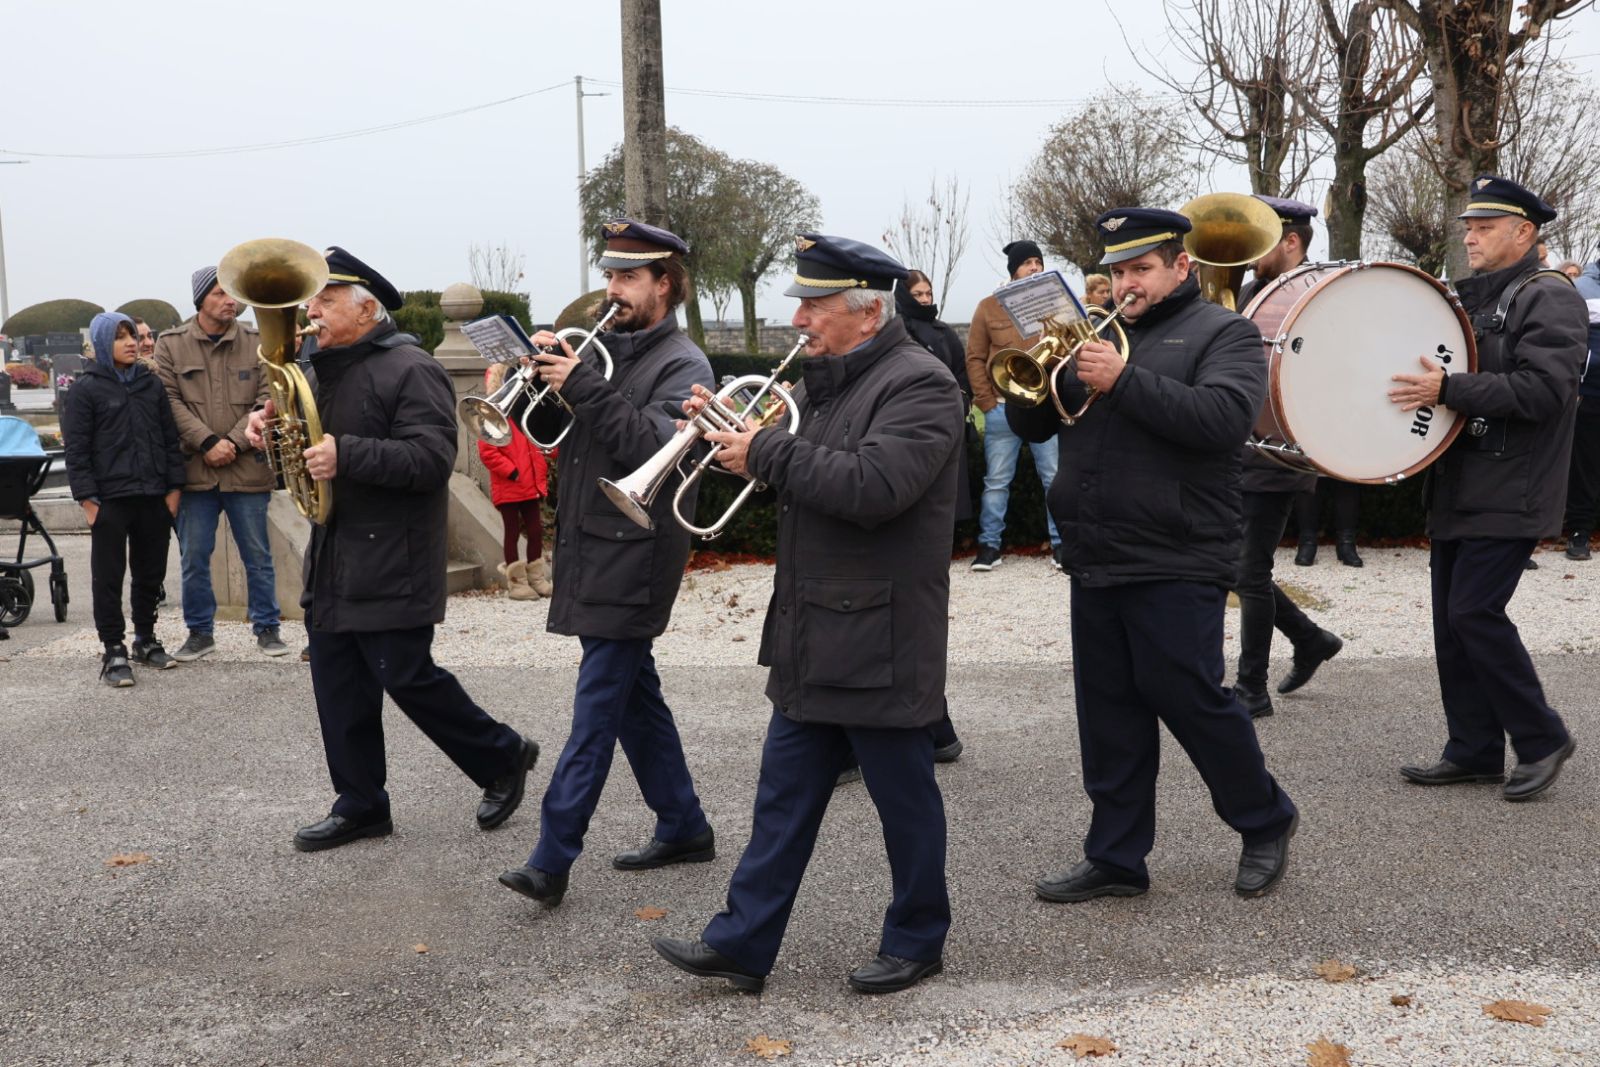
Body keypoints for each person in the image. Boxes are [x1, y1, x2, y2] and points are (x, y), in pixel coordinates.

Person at [652, 233, 963, 996]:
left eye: (812, 304)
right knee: (781, 801)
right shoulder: (834, 381)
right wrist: (731, 431)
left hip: (882, 635)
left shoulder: (921, 383)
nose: (797, 319)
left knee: (905, 801)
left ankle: (919, 937)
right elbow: (806, 465)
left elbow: (874, 486)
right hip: (815, 628)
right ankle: (742, 942)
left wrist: (765, 451)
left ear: (866, 310)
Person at [1009, 208, 1299, 903]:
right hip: (1097, 549)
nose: (1125, 283)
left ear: (1181, 267)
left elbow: (1223, 421)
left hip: (1179, 549)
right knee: (1108, 711)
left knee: (1190, 697)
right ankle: (1115, 856)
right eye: (1117, 271)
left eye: (1140, 269)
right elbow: (1034, 418)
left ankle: (1265, 819)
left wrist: (1123, 379)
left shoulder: (1224, 333)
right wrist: (1036, 370)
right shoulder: (1094, 339)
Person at [246, 247, 537, 851]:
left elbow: (432, 460)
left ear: (367, 307)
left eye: (326, 300)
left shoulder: (411, 367)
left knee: (407, 677)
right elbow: (293, 425)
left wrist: (346, 454)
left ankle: (503, 755)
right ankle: (361, 805)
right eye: (314, 300)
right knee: (337, 684)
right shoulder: (312, 364)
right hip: (335, 549)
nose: (312, 311)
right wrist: (260, 422)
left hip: (392, 555)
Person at [498, 220, 715, 907]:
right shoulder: (605, 352)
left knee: (595, 712)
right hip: (594, 545)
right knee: (633, 700)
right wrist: (539, 380)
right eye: (611, 276)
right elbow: (555, 434)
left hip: (638, 550)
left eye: (629, 278)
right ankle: (683, 823)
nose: (613, 291)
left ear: (665, 284)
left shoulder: (685, 365)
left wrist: (582, 383)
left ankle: (550, 856)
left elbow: (650, 447)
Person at [1390, 176, 1585, 801]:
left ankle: (1542, 737)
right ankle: (1473, 749)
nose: (1469, 236)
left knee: (1474, 612)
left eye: (1483, 227)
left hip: (1512, 484)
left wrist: (1449, 390)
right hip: (1465, 480)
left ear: (1523, 233)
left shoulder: (1548, 297)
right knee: (1453, 622)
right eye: (1468, 227)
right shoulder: (1476, 298)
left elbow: (1543, 392)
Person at [1230, 196, 1344, 717]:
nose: (1250, 252)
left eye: (1261, 239)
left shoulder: (1321, 294)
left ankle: (1251, 688)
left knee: (1248, 570)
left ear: (1292, 241)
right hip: (1243, 444)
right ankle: (1310, 638)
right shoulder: (1253, 290)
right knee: (1238, 568)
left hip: (1281, 449)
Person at [154, 266, 288, 661]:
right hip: (196, 472)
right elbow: (168, 401)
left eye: (232, 294)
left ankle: (267, 628)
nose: (230, 300)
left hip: (246, 468)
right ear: (200, 300)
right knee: (194, 558)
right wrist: (208, 442)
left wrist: (230, 442)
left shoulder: (257, 340)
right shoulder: (170, 344)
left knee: (258, 556)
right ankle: (199, 633)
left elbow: (268, 396)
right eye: (219, 294)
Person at [62, 312, 185, 686]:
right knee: (109, 578)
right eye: (120, 337)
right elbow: (77, 450)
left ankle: (145, 639)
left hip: (153, 497)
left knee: (150, 575)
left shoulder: (151, 385)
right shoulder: (86, 390)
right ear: (102, 344)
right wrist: (87, 500)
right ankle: (113, 648)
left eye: (132, 334)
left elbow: (169, 440)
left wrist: (174, 489)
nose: (132, 342)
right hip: (110, 500)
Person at [964, 239, 1062, 571]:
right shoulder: (988, 307)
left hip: (1043, 406)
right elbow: (975, 357)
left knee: (1053, 478)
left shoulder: (1053, 303)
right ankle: (989, 547)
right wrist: (987, 402)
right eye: (1027, 263)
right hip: (1003, 408)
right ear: (1014, 270)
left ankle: (1061, 545)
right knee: (997, 481)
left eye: (1038, 262)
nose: (1035, 268)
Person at [476, 362, 551, 599]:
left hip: (527, 483)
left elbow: (534, 442)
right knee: (511, 531)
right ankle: (517, 583)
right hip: (510, 483)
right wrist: (512, 472)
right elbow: (487, 451)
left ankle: (536, 578)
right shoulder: (493, 415)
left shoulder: (523, 410)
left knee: (535, 529)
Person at [1563, 252, 1600, 561]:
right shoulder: (1582, 288)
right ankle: (1579, 532)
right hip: (1591, 392)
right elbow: (1567, 341)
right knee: (1585, 467)